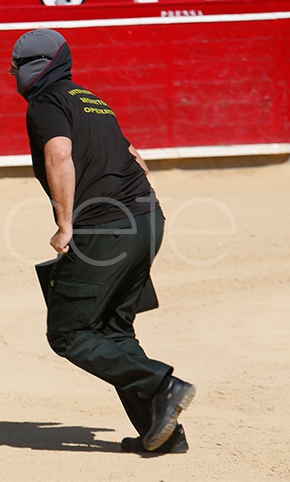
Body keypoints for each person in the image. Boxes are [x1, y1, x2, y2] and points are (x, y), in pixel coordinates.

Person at [13, 28, 195, 457]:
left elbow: (59, 154)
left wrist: (65, 224)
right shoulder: (91, 99)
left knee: (69, 332)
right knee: (114, 328)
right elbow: (135, 157)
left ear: (35, 67)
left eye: (16, 68)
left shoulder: (47, 102)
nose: (14, 76)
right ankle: (162, 431)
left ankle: (162, 384)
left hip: (105, 227)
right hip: (147, 218)